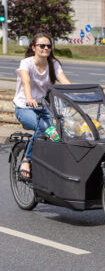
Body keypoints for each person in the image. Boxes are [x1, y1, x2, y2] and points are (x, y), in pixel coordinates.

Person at [13, 33, 71, 179]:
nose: (46, 48)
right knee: (44, 127)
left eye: (48, 46)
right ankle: (27, 159)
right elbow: (26, 81)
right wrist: (29, 98)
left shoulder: (54, 64)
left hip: (44, 107)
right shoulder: (26, 63)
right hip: (25, 107)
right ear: (34, 47)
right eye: (42, 45)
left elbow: (65, 81)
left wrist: (78, 95)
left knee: (58, 134)